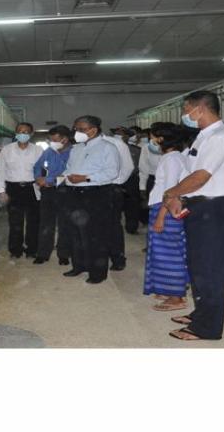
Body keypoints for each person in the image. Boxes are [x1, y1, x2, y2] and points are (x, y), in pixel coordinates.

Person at [162, 91, 224, 341]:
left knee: (210, 270)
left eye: (187, 110)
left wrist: (171, 193)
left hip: (213, 208)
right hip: (200, 206)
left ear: (201, 109)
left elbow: (200, 178)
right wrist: (180, 197)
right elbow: (191, 174)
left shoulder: (220, 138)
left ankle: (207, 328)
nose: (185, 115)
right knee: (198, 266)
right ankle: (201, 314)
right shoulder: (204, 137)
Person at [62, 115, 121, 284]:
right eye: (76, 129)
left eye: (81, 129)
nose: (77, 132)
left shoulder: (107, 148)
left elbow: (112, 172)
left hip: (96, 193)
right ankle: (79, 265)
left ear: (93, 130)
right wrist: (66, 177)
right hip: (74, 193)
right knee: (76, 232)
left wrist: (85, 178)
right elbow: (69, 168)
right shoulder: (76, 148)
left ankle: (97, 272)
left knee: (96, 234)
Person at [143, 123, 190, 311]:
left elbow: (171, 191)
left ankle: (176, 297)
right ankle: (167, 289)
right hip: (162, 207)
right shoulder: (172, 157)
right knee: (161, 252)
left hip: (167, 210)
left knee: (170, 254)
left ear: (162, 139)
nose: (151, 141)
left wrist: (161, 217)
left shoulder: (172, 159)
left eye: (153, 137)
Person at [0, 122, 44, 258]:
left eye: (26, 132)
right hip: (13, 188)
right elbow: (0, 171)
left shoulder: (38, 150)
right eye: (20, 132)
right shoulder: (6, 150)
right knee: (15, 221)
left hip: (32, 188)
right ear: (16, 133)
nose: (23, 134)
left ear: (31, 134)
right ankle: (15, 250)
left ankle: (32, 249)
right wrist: (1, 190)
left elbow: (43, 170)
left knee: (33, 221)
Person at [32, 125, 73, 265]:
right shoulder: (49, 151)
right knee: (46, 223)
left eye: (54, 140)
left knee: (64, 223)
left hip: (66, 191)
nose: (51, 142)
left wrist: (50, 180)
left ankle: (64, 254)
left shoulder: (74, 153)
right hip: (48, 191)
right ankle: (43, 253)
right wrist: (38, 177)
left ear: (65, 139)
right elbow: (37, 166)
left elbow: (70, 175)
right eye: (50, 140)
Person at [102, 128, 135, 270]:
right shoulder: (80, 146)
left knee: (112, 225)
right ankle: (98, 257)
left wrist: (116, 183)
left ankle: (117, 258)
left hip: (110, 189)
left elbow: (128, 167)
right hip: (88, 190)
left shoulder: (116, 144)